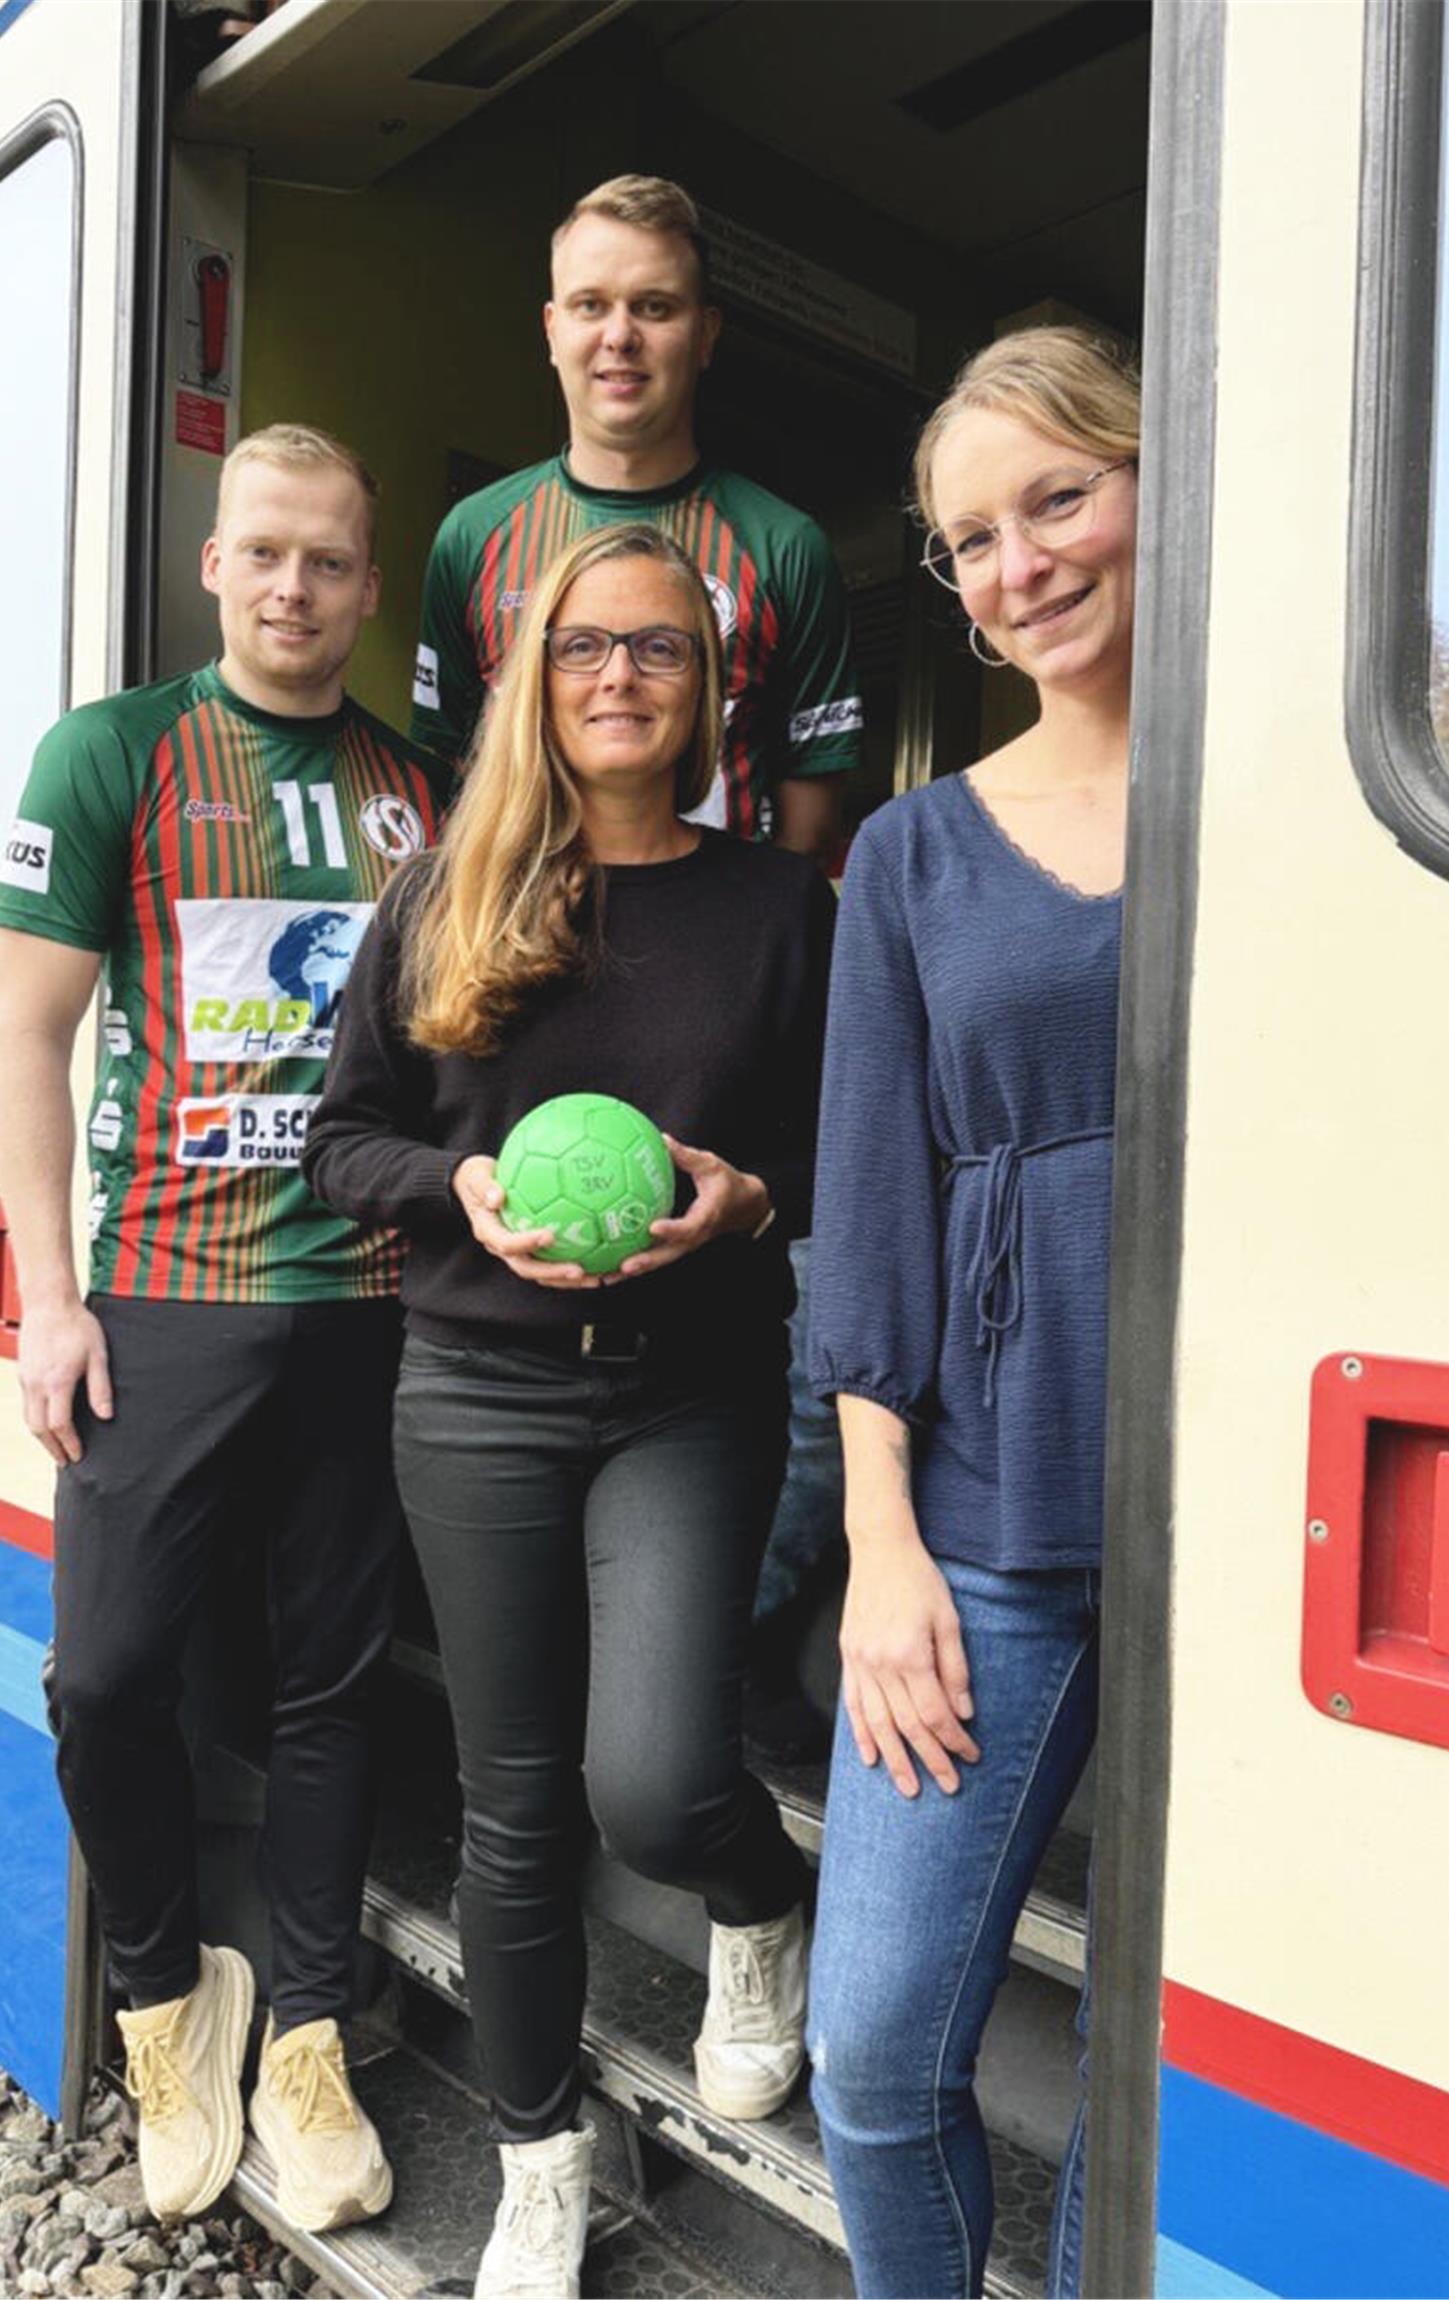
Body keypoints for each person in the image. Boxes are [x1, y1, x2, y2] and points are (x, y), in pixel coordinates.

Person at [309, 521, 834, 2300]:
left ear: (708, 695)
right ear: (537, 682)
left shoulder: (778, 910)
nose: (620, 675)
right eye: (585, 646)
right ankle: (541, 2156)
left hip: (688, 1395)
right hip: (471, 1396)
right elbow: (343, 1141)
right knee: (511, 1806)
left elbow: (847, 1158)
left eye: (661, 651)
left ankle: (760, 1906)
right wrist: (454, 1190)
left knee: (662, 1778)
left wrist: (748, 1200)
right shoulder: (448, 891)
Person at [0, 425, 451, 2233]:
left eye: (330, 561)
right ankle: (171, 2007)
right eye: (263, 552)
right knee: (105, 1684)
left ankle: (314, 2039)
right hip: (161, 1300)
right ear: (212, 563)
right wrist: (48, 1299)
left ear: (366, 579)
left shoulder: (421, 785)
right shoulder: (117, 753)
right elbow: (29, 1032)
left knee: (330, 1694)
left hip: (367, 1300)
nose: (293, 589)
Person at [411, 169, 862, 1736]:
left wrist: (731, 985)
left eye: (654, 307)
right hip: (529, 1028)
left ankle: (692, 1732)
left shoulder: (781, 544)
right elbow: (439, 795)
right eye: (592, 305)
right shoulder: (476, 536)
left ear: (704, 333)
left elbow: (810, 811)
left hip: (716, 1040)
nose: (621, 337)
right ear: (549, 331)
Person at [804, 326, 1139, 2299]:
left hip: (1248, 1533)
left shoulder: (1296, 792)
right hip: (986, 1526)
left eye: (1058, 499)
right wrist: (879, 1543)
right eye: (970, 540)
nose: (1017, 564)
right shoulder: (911, 854)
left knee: (1157, 2067)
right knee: (870, 2048)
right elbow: (870, 1223)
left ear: (1153, 477)